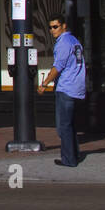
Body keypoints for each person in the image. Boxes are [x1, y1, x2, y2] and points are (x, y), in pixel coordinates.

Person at [39, 14, 86, 167]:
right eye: (51, 27)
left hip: (66, 87)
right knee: (70, 124)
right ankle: (75, 155)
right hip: (76, 87)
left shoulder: (63, 43)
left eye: (55, 26)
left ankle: (68, 159)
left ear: (64, 26)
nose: (52, 30)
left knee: (63, 126)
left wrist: (44, 83)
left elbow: (57, 67)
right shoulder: (75, 41)